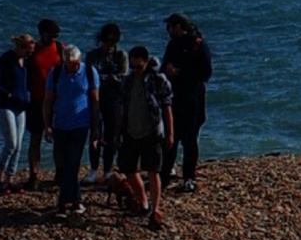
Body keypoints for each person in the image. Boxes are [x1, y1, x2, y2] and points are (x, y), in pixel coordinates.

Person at [111, 45, 174, 229]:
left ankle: (155, 208)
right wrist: (116, 134)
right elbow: (120, 109)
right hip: (130, 131)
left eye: (139, 66)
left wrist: (170, 133)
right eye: (133, 67)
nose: (136, 70)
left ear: (146, 62)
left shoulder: (157, 80)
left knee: (153, 171)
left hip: (152, 132)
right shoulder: (127, 82)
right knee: (129, 170)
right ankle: (142, 202)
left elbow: (167, 107)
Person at [43, 42, 95, 218]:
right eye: (70, 65)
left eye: (76, 64)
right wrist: (47, 124)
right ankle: (71, 199)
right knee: (62, 163)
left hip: (80, 124)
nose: (73, 68)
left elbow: (95, 100)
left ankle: (68, 201)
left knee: (73, 161)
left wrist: (96, 127)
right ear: (64, 62)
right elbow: (48, 100)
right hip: (60, 124)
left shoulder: (88, 72)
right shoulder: (56, 73)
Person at [162, 15, 212, 188]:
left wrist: (180, 72)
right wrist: (167, 72)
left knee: (190, 140)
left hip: (192, 99)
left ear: (178, 26)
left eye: (169, 26)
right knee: (170, 138)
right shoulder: (172, 45)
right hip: (173, 98)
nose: (168, 30)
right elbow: (163, 68)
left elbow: (205, 73)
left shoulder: (197, 44)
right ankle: (165, 174)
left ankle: (189, 177)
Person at [0, 35, 33, 185]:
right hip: (6, 105)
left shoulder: (25, 62)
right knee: (11, 143)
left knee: (18, 145)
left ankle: (9, 178)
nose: (29, 54)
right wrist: (7, 94)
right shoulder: (6, 59)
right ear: (21, 47)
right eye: (28, 51)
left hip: (21, 106)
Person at [87, 25, 127, 182]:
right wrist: (110, 78)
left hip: (114, 99)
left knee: (111, 135)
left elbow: (122, 77)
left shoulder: (120, 55)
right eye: (106, 41)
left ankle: (108, 168)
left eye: (111, 41)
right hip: (96, 98)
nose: (108, 45)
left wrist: (104, 78)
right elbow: (90, 77)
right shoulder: (93, 55)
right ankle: (93, 168)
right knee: (95, 133)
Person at [27, 19, 62, 164]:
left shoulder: (60, 48)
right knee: (35, 139)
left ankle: (60, 172)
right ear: (42, 34)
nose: (53, 39)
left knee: (59, 139)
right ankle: (33, 174)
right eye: (50, 35)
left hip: (56, 100)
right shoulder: (33, 50)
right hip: (36, 100)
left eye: (55, 35)